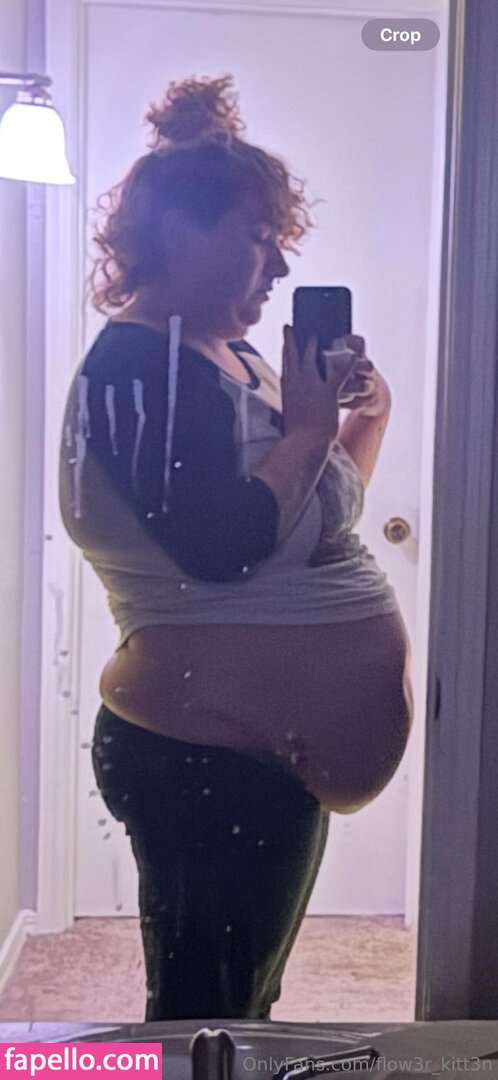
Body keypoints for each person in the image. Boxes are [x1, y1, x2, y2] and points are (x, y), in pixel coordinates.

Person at [59, 75, 414, 1021]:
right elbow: (222, 546)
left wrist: (361, 419)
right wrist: (307, 429)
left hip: (252, 758)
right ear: (181, 235)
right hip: (205, 757)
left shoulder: (239, 359)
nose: (280, 265)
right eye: (259, 238)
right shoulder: (141, 364)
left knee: (241, 1003)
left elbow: (312, 520)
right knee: (203, 1016)